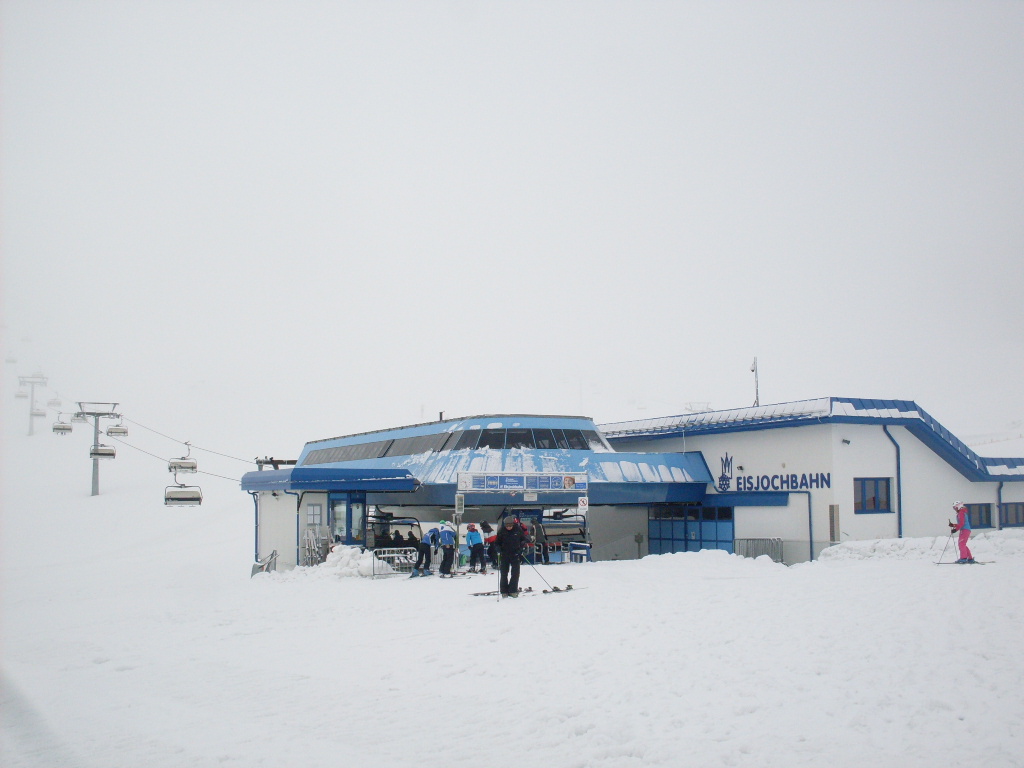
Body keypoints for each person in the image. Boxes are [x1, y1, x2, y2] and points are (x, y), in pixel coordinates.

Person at [495, 515, 528, 596]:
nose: (509, 527)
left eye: (510, 526)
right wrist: (498, 548)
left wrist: (522, 546)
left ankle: (513, 590)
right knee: (504, 573)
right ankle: (504, 591)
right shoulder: (502, 531)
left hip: (515, 554)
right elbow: (497, 543)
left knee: (515, 573)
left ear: (513, 524)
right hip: (505, 554)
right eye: (507, 526)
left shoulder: (518, 530)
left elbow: (523, 539)